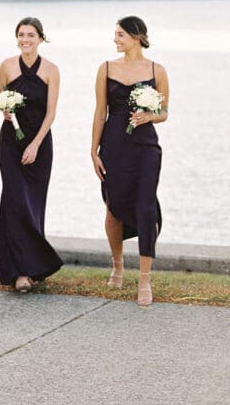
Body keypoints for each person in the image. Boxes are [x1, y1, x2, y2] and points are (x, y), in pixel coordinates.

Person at [91, 16, 169, 306]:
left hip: (145, 146)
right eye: (115, 34)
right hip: (113, 144)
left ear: (136, 36)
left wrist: (149, 115)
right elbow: (101, 112)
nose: (116, 39)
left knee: (146, 207)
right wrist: (93, 150)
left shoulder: (156, 70)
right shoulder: (106, 68)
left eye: (121, 34)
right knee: (114, 208)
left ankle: (145, 279)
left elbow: (164, 112)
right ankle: (118, 265)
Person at [0, 17, 62, 292]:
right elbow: (0, 99)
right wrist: (4, 110)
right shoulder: (6, 66)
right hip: (10, 142)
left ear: (40, 39)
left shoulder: (51, 70)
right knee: (14, 202)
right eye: (21, 34)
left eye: (31, 35)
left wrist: (35, 144)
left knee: (33, 203)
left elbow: (51, 113)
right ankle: (16, 271)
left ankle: (33, 268)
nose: (25, 39)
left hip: (40, 142)